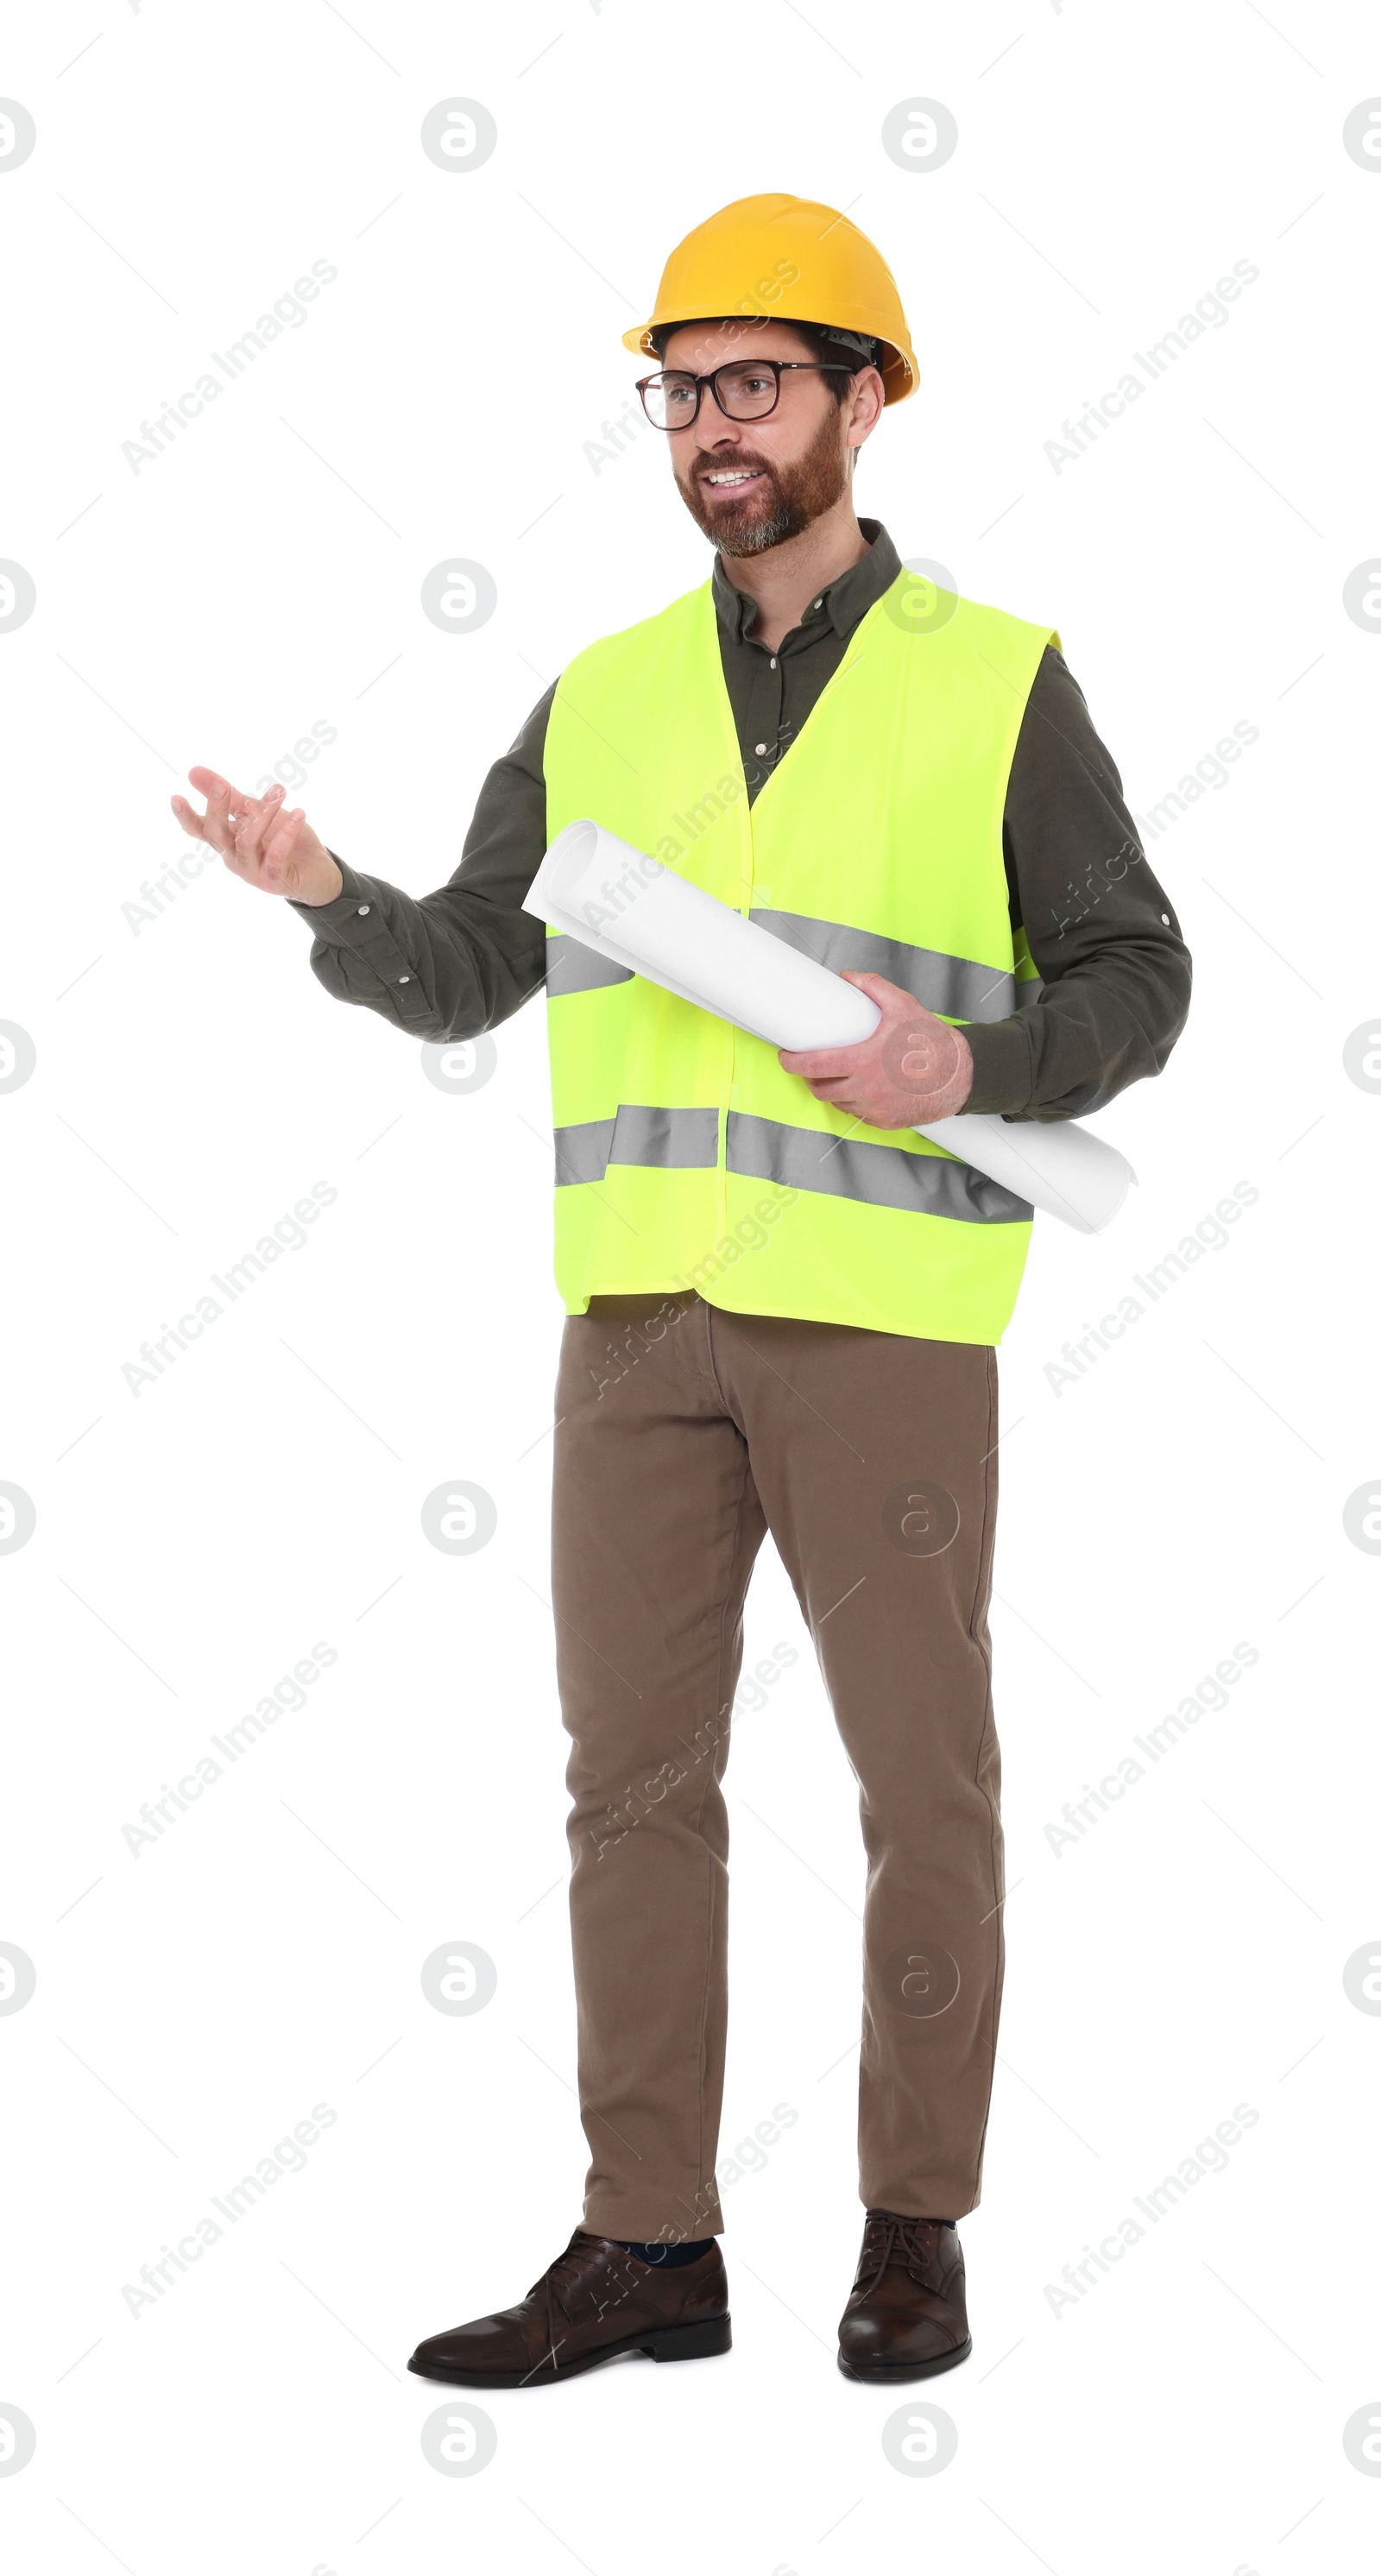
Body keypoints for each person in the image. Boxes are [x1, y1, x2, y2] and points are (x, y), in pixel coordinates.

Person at [172, 193, 1191, 2387]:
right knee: (626, 1784)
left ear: (863, 399)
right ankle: (650, 2243)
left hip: (882, 1315)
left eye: (753, 383)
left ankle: (910, 2225)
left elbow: (1139, 974)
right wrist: (330, 895)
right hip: (633, 1327)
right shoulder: (603, 691)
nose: (709, 429)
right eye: (679, 390)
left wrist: (972, 1061)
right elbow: (465, 972)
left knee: (919, 1785)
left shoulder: (995, 679)